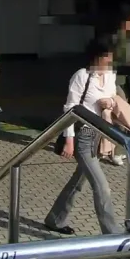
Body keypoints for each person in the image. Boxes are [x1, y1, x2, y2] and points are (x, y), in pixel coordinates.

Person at [44, 36, 124, 236]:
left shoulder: (111, 75)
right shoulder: (81, 76)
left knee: (78, 182)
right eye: (107, 55)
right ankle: (112, 234)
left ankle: (54, 219)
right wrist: (69, 139)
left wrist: (111, 104)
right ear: (97, 56)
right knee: (102, 187)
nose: (110, 59)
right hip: (83, 137)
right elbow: (70, 109)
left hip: (100, 136)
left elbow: (114, 99)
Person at [95, 4, 130, 165]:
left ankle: (109, 150)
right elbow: (113, 61)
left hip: (119, 80)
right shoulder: (117, 39)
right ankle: (111, 152)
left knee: (116, 116)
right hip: (114, 81)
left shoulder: (124, 37)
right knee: (121, 116)